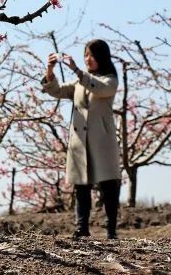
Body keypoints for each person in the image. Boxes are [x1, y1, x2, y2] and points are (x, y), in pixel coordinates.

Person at [41, 39, 121, 239]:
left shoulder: (110, 79)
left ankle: (111, 230)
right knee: (81, 186)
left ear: (102, 57)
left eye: (92, 55)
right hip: (79, 142)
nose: (88, 59)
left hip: (102, 142)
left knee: (108, 187)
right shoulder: (79, 82)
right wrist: (50, 71)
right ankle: (81, 228)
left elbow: (101, 89)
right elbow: (57, 91)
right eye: (86, 55)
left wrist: (77, 70)